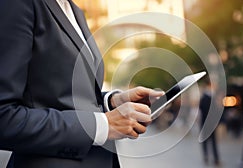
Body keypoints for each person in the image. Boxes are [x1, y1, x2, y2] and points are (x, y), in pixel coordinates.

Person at [0, 0, 164, 167]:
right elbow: (4, 117)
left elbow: (64, 95)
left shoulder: (74, 10)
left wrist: (112, 102)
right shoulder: (18, 4)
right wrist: (104, 124)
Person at [199, 80, 220, 166]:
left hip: (206, 122)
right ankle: (213, 158)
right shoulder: (208, 97)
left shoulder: (207, 97)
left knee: (209, 141)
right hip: (208, 122)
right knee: (211, 141)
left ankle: (209, 157)